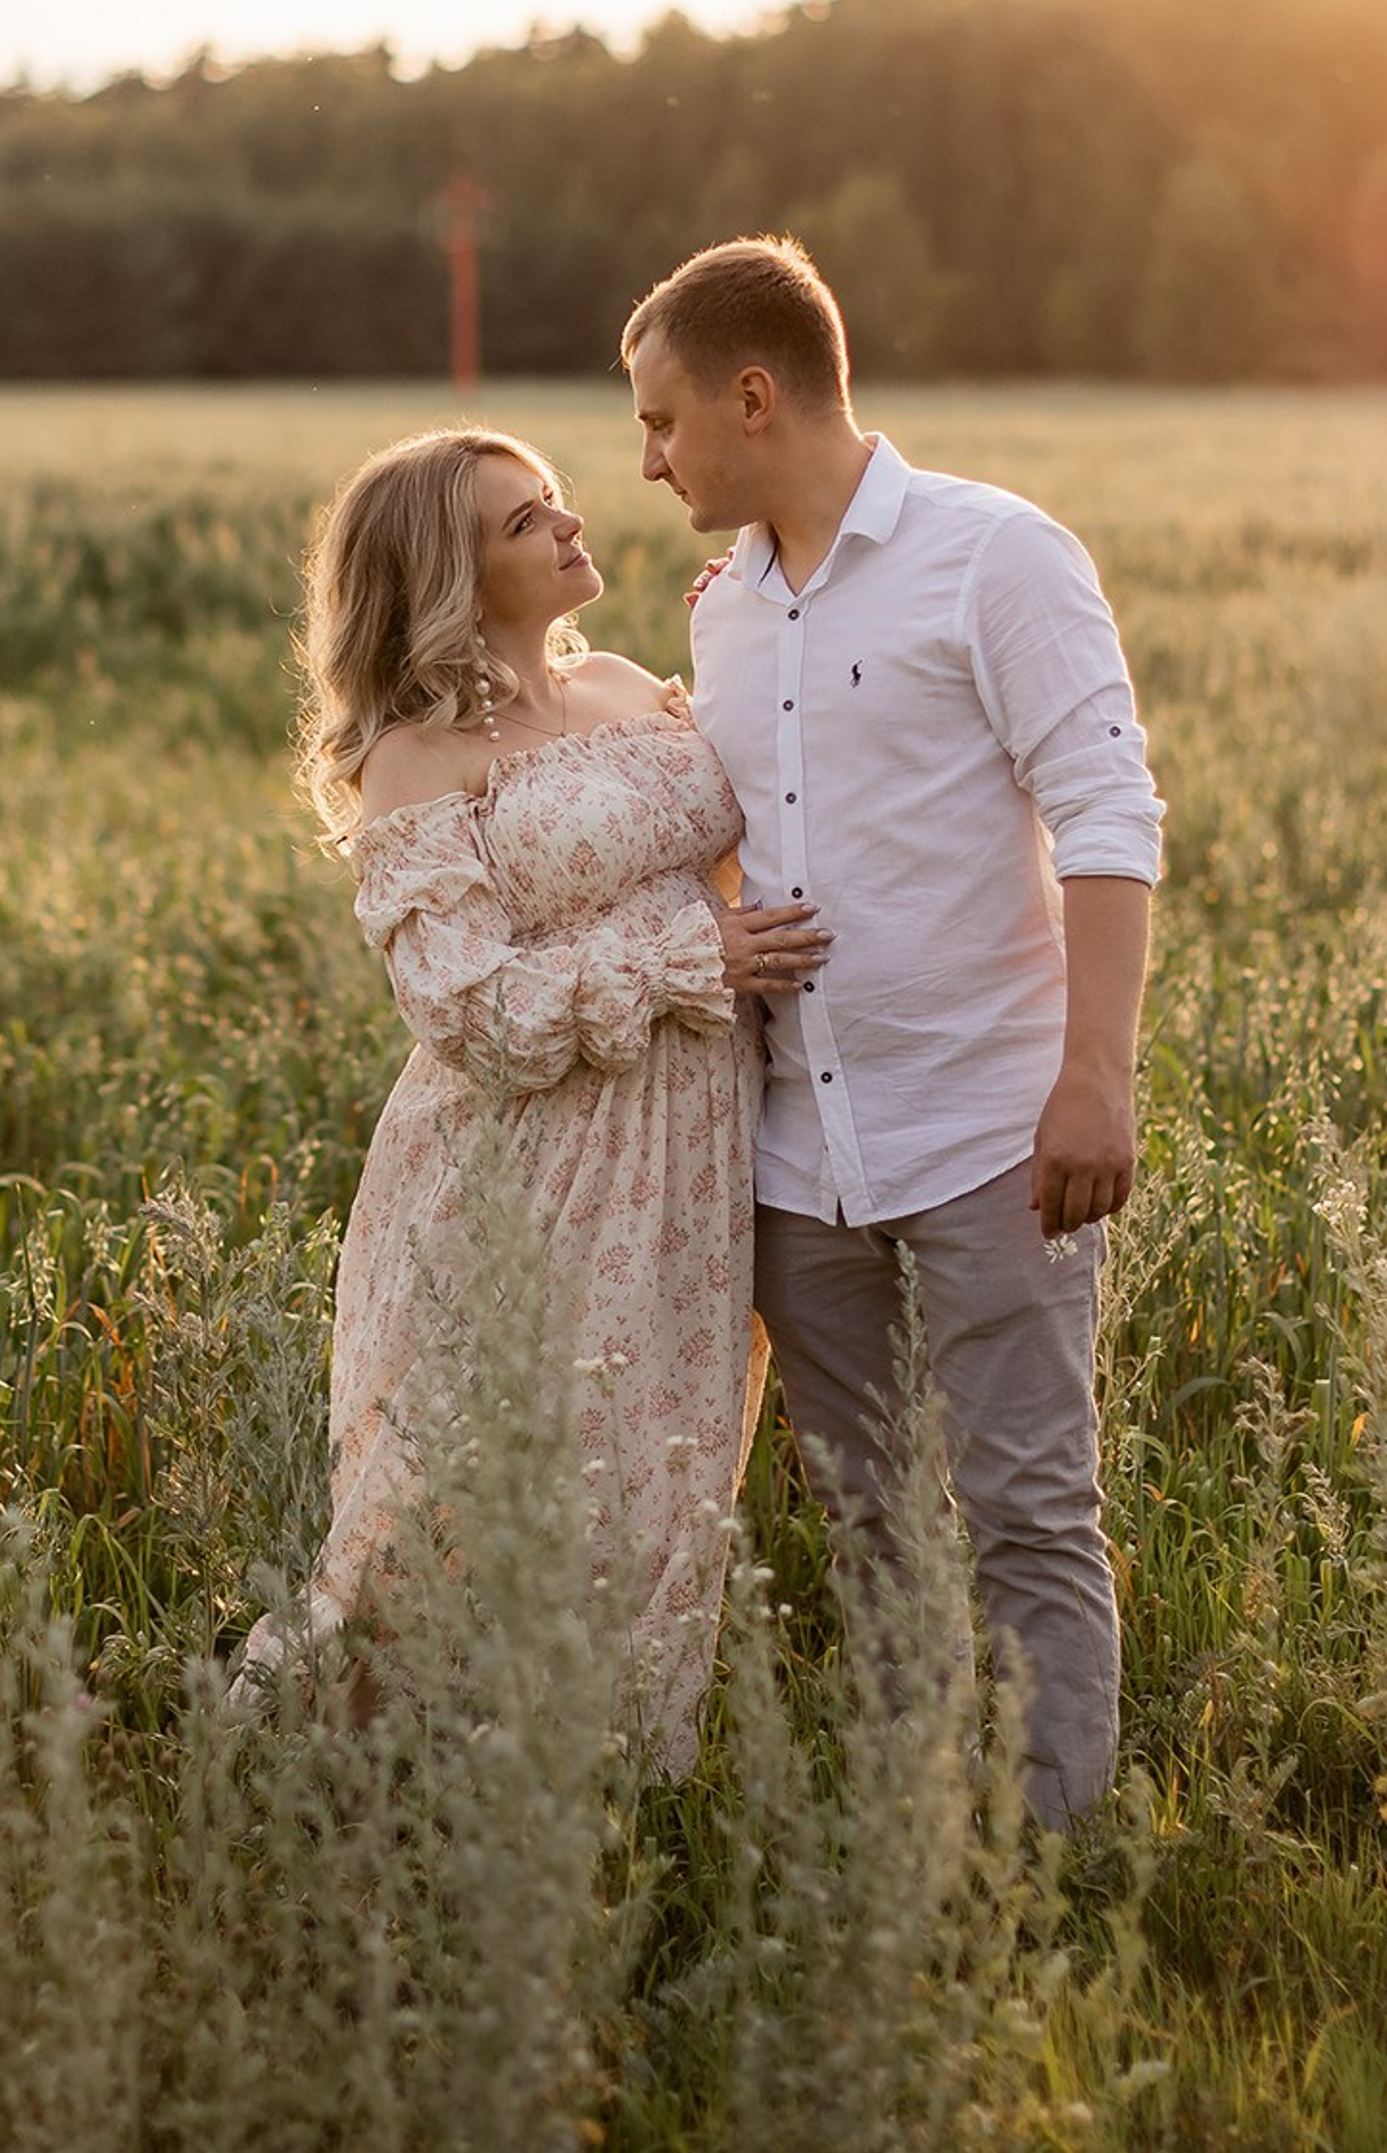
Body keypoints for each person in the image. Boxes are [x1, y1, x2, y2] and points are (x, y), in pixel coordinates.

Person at [621, 237, 1163, 1828]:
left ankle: (1051, 1864)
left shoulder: (997, 557)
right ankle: (915, 1837)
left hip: (994, 1131)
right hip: (798, 1151)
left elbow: (1110, 813)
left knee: (1028, 1509)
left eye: (662, 424)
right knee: (866, 1518)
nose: (648, 462)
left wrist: (1097, 1077)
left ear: (752, 392)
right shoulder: (726, 609)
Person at [241, 426, 826, 1774]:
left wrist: (743, 641)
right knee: (476, 1480)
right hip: (526, 1164)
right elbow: (473, 1009)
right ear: (450, 573)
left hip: (688, 1143)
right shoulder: (415, 759)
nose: (571, 526)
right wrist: (698, 959)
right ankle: (369, 1780)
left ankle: (613, 1786)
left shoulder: (628, 683)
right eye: (524, 522)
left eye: (556, 503)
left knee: (656, 1477)